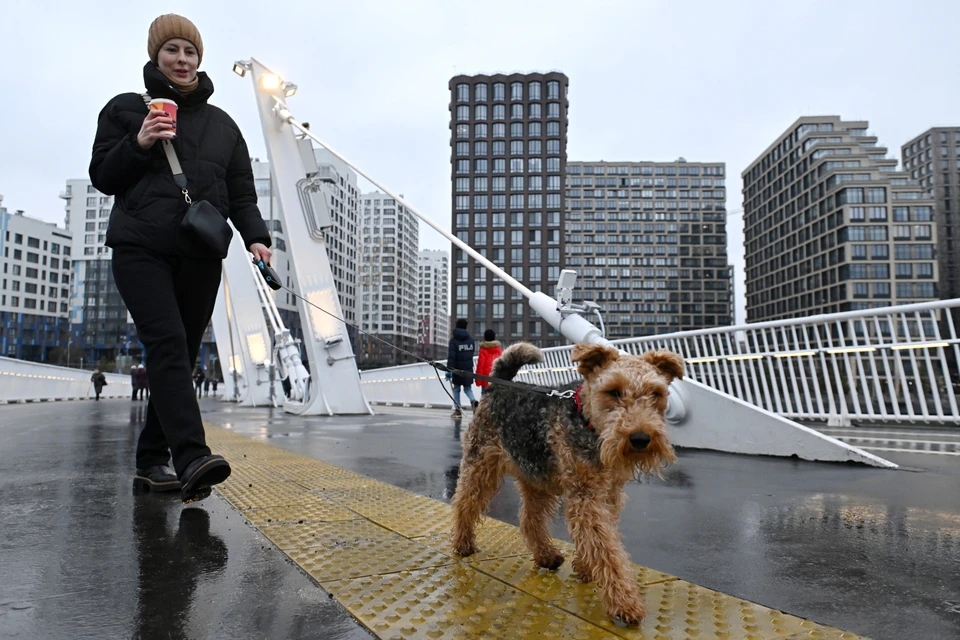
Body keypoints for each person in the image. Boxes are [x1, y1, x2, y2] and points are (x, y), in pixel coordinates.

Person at [89, 14, 272, 502]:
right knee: (168, 344)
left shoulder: (223, 126)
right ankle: (191, 457)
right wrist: (141, 141)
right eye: (172, 49)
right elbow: (103, 175)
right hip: (140, 248)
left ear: (199, 59)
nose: (182, 59)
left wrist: (256, 237)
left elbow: (241, 193)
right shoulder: (126, 110)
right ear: (156, 56)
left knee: (182, 355)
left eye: (190, 51)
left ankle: (152, 459)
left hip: (199, 252)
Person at [446, 319, 477, 418]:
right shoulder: (471, 340)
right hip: (468, 369)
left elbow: (452, 357)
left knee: (456, 389)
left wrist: (449, 370)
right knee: (468, 389)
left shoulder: (453, 341)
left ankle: (457, 410)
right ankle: (473, 401)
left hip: (457, 370)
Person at [475, 329, 503, 397]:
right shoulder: (499, 349)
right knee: (495, 396)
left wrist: (478, 380)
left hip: (485, 379)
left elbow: (480, 366)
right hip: (496, 378)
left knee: (484, 397)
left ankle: (484, 407)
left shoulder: (483, 350)